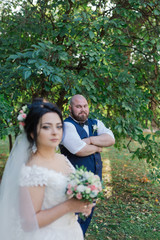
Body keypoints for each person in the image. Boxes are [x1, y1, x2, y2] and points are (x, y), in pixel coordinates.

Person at [0, 101, 95, 240]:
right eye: (46, 127)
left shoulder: (63, 159)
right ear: (32, 132)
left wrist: (82, 202)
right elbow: (28, 223)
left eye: (59, 126)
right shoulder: (32, 170)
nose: (55, 132)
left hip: (72, 231)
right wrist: (69, 206)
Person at [60, 94, 115, 236]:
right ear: (70, 108)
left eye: (85, 106)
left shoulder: (96, 122)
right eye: (78, 107)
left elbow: (110, 139)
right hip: (74, 180)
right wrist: (97, 146)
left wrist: (89, 139)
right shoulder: (66, 125)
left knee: (87, 213)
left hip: (95, 178)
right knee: (74, 216)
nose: (82, 109)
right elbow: (78, 150)